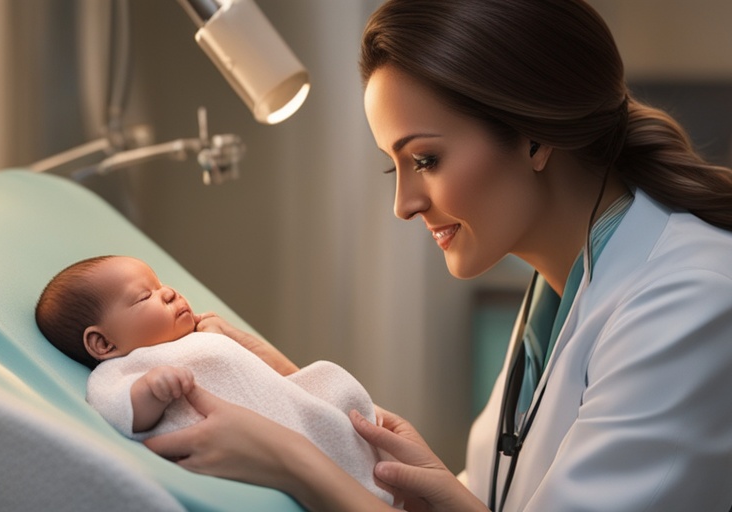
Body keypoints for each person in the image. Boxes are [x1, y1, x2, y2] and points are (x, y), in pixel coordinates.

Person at [141, 1, 732, 511]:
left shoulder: (690, 298)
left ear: (534, 134)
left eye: (425, 159)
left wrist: (297, 463)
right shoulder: (558, 296)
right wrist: (296, 395)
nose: (403, 205)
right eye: (391, 165)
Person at [34, 255, 399, 506]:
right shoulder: (122, 369)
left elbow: (266, 378)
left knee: (328, 384)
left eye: (160, 284)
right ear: (103, 343)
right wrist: (151, 390)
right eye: (144, 296)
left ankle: (364, 474)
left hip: (285, 417)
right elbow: (118, 408)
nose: (168, 292)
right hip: (253, 444)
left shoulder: (198, 335)